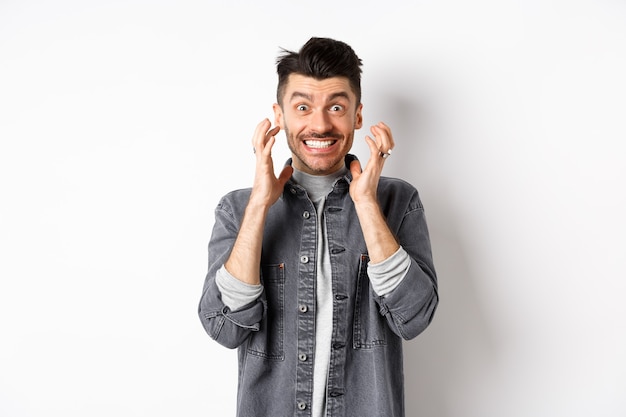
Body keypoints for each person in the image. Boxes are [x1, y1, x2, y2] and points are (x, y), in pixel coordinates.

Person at [198, 37, 438, 417]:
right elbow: (225, 329)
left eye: (337, 107)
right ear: (280, 116)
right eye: (303, 107)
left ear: (357, 116)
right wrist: (260, 205)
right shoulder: (238, 208)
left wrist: (365, 203)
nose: (320, 124)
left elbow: (414, 318)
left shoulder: (397, 202)